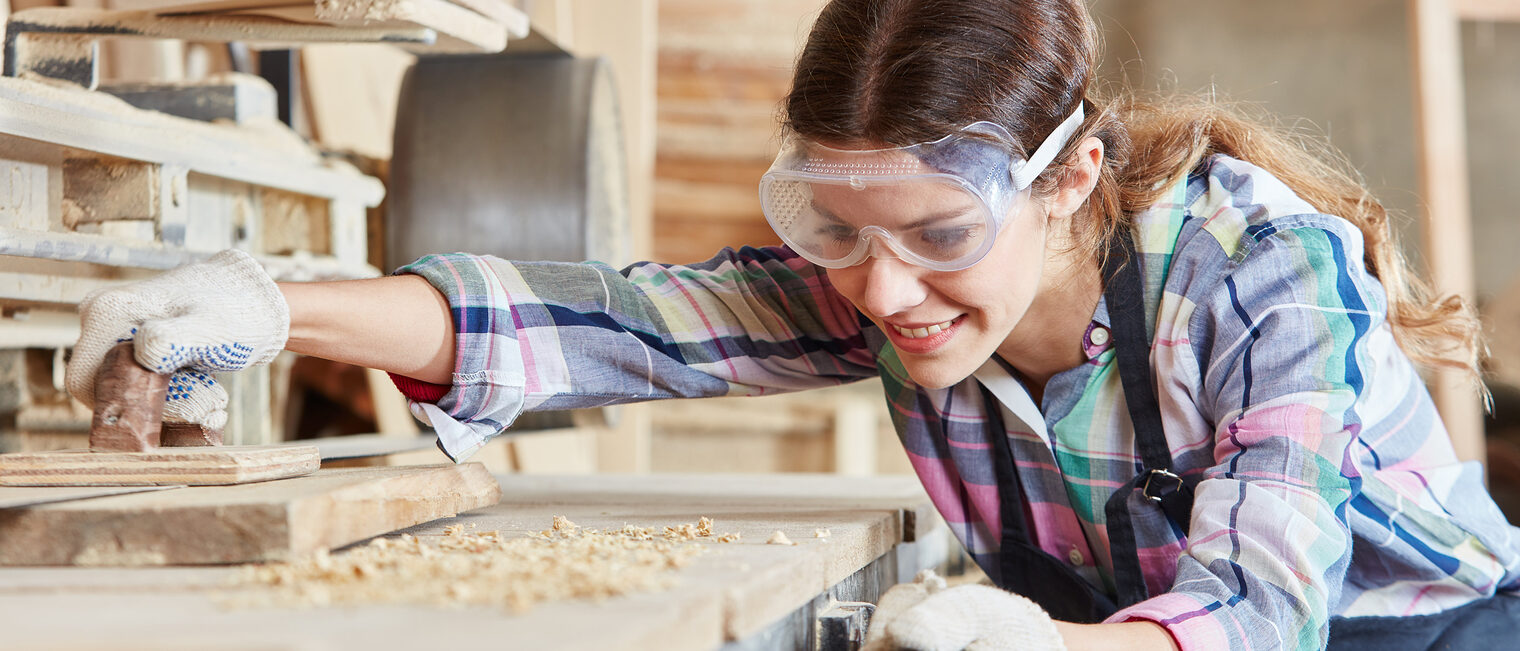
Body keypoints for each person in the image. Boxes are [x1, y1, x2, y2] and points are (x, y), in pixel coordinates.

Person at [63, 0, 1520, 649]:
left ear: (1070, 177)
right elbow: (610, 325)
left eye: (941, 237)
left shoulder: (1263, 269)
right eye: (838, 229)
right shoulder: (886, 285)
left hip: (1421, 634)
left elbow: (1269, 612)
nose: (881, 294)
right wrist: (270, 304)